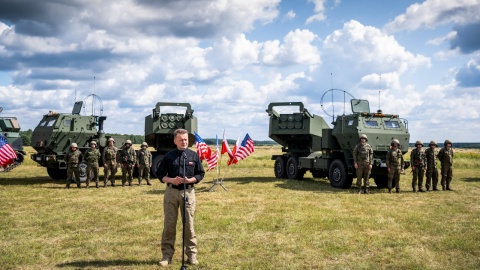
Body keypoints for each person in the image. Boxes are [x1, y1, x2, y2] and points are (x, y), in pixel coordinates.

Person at [156, 129, 205, 267]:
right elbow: (160, 175)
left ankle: (191, 255)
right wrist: (171, 180)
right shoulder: (169, 156)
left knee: (188, 225)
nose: (184, 142)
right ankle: (166, 256)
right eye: (181, 140)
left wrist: (189, 180)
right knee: (169, 225)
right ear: (175, 141)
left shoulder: (193, 156)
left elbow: (200, 174)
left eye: (185, 140)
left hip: (188, 193)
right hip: (171, 193)